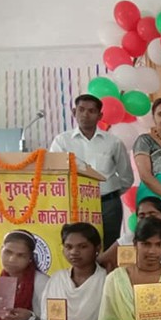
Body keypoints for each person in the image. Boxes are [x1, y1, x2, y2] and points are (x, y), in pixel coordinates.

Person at [49, 95, 134, 249]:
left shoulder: (113, 142)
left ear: (100, 116)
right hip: (75, 204)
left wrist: (109, 193)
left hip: (108, 206)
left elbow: (126, 177)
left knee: (109, 248)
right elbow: (55, 174)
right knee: (78, 248)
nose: (85, 114)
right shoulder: (62, 142)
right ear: (74, 112)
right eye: (81, 110)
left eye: (91, 111)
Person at [98, 196, 161, 271]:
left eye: (152, 215)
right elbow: (102, 260)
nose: (147, 219)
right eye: (141, 216)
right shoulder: (129, 237)